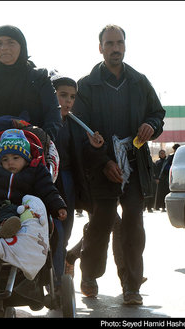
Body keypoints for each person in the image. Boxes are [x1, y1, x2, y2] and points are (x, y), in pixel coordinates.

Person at [72, 24, 165, 305]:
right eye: (109, 43)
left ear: (125, 46)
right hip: (101, 168)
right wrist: (103, 163)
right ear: (100, 48)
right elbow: (80, 130)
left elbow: (158, 113)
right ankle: (89, 274)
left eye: (119, 43)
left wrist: (151, 125)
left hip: (134, 166)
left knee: (134, 222)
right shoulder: (86, 86)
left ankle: (131, 285)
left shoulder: (140, 81)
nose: (115, 48)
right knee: (100, 224)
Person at [49, 71, 105, 286]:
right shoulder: (41, 120)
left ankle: (59, 277)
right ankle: (55, 281)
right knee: (56, 233)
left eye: (72, 97)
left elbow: (84, 156)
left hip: (69, 182)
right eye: (63, 95)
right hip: (45, 184)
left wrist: (94, 146)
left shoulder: (77, 125)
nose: (68, 101)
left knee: (66, 230)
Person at [0, 129, 68, 239]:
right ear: (0, 161)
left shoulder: (35, 171)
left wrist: (58, 206)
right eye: (5, 159)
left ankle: (5, 227)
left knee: (12, 213)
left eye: (16, 158)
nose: (10, 162)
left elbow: (48, 190)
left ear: (26, 159)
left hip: (18, 204)